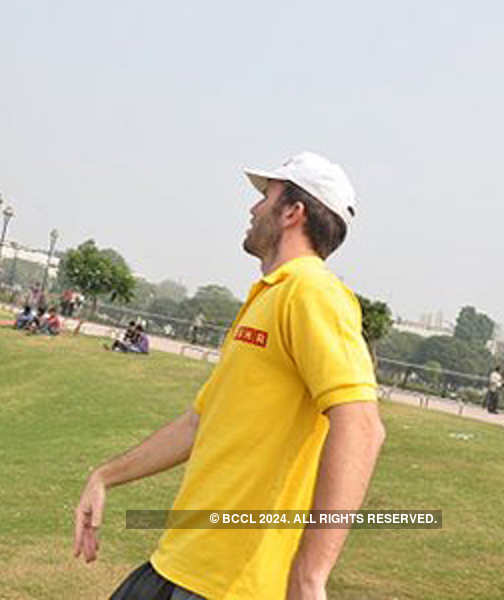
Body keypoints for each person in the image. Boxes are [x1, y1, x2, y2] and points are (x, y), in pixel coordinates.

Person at [74, 151, 385, 599]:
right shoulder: (267, 298)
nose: (253, 208)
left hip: (233, 585)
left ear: (293, 213)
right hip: (178, 565)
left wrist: (310, 575)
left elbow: (361, 426)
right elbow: (199, 423)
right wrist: (104, 477)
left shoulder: (312, 292)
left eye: (266, 197)